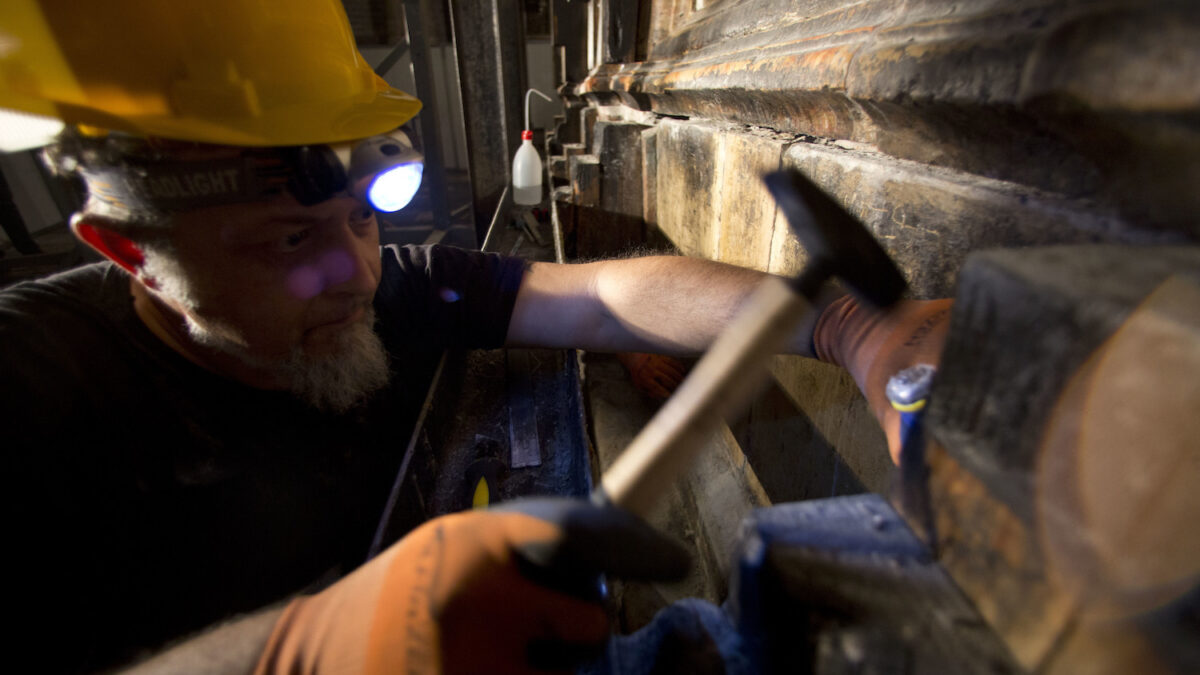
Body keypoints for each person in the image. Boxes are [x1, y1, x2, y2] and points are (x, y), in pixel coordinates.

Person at [0, 1, 951, 672]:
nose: (356, 273)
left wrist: (850, 327)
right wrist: (297, 656)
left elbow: (596, 295)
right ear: (127, 249)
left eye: (364, 218)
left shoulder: (383, 290)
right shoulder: (40, 383)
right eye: (289, 240)